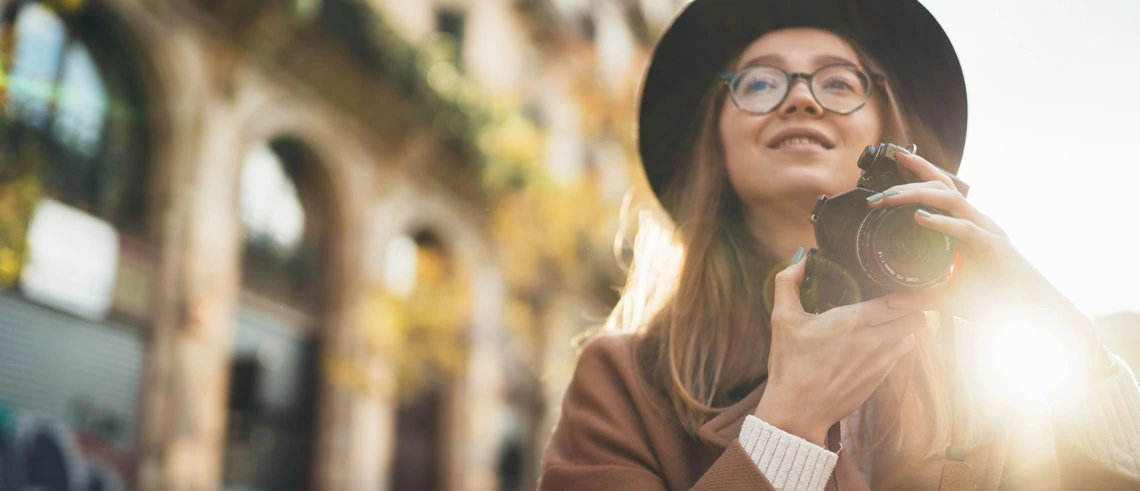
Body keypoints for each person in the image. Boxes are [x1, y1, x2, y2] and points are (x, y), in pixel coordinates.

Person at [537, 0, 1140, 490]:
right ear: (715, 141)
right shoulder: (624, 382)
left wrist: (1068, 342)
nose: (801, 98)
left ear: (884, 130)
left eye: (839, 81)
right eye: (760, 82)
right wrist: (790, 424)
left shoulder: (981, 382)